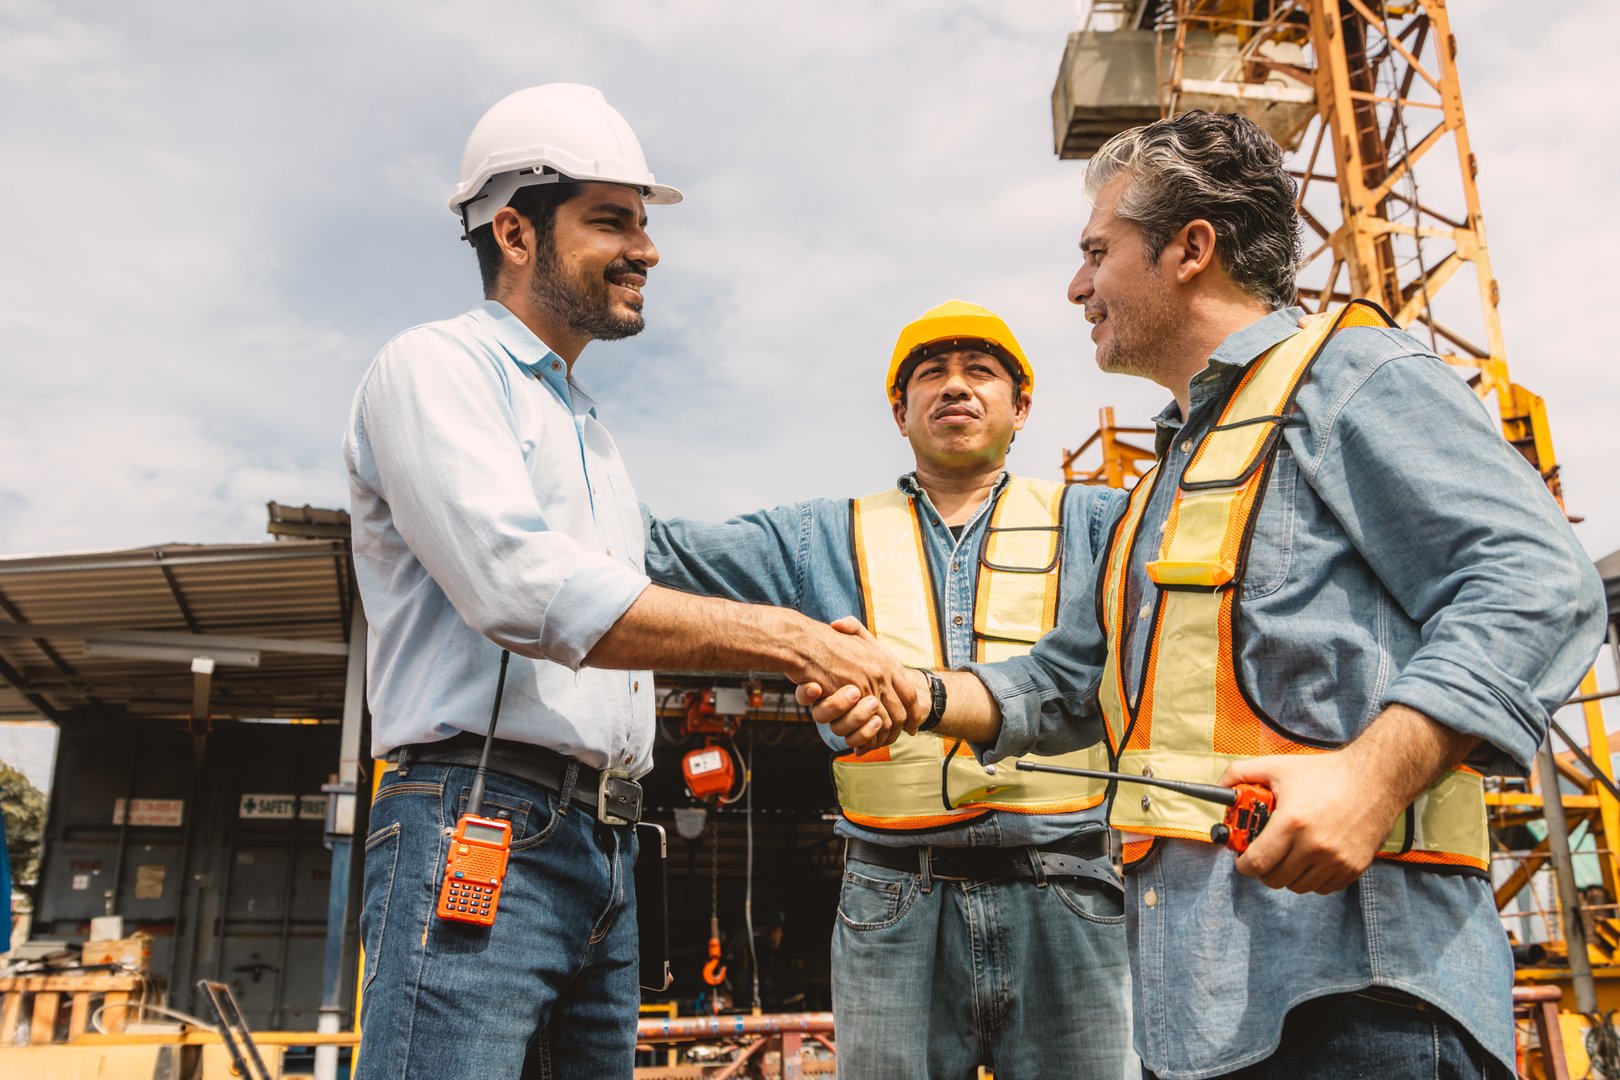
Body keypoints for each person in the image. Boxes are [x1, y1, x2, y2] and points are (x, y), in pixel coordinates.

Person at [808, 111, 1608, 1079]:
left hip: (1359, 998)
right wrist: (917, 692)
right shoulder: (1162, 484)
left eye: (1096, 252)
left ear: (1190, 249)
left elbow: (1538, 578)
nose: (1076, 286)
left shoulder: (1348, 378)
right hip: (1198, 1010)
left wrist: (1373, 775)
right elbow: (1067, 686)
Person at [343, 84, 919, 1080]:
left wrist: (841, 625)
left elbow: (665, 571)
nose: (647, 251)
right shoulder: (434, 369)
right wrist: (798, 645)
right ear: (514, 231)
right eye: (612, 221)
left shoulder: (590, 433)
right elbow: (522, 589)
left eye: (644, 225)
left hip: (603, 843)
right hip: (475, 816)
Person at [643, 300, 1135, 1079]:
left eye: (980, 371)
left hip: (1067, 887)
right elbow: (659, 553)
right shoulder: (819, 537)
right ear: (899, 409)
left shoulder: (1103, 524)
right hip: (893, 894)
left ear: (1022, 404)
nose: (955, 387)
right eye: (930, 374)